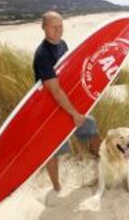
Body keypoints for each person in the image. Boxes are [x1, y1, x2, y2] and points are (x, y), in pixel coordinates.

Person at [33, 11, 102, 192]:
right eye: (53, 27)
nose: (58, 30)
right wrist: (74, 114)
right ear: (43, 28)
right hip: (51, 110)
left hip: (70, 102)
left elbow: (72, 73)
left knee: (92, 131)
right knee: (52, 150)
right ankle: (56, 187)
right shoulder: (42, 55)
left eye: (60, 26)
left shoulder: (63, 44)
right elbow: (54, 90)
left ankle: (105, 167)